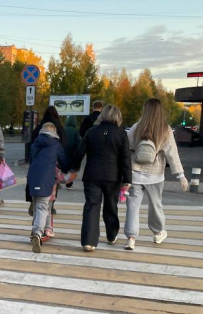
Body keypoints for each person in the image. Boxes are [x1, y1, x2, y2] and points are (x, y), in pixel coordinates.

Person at [124, 98, 190, 250]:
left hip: (135, 172)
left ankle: (131, 238)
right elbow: (172, 154)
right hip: (155, 174)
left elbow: (128, 146)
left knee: (133, 206)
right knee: (155, 205)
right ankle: (158, 232)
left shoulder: (136, 127)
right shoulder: (165, 129)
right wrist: (181, 176)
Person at [72, 104, 131, 251]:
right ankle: (111, 235)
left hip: (92, 175)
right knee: (111, 206)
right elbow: (125, 159)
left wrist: (72, 168)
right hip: (113, 177)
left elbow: (80, 152)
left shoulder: (91, 132)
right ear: (117, 117)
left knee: (92, 206)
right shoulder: (121, 134)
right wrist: (127, 179)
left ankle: (89, 241)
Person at [27, 123, 72, 253]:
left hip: (33, 176)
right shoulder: (55, 144)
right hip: (47, 178)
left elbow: (31, 160)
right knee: (43, 206)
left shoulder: (35, 143)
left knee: (36, 204)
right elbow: (64, 161)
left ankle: (35, 229)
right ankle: (38, 233)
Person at [63, 116, 82, 189]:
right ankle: (69, 184)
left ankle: (60, 182)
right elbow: (78, 143)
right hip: (72, 152)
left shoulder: (63, 130)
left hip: (64, 151)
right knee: (71, 169)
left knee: (63, 167)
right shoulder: (75, 131)